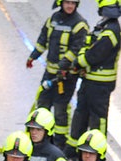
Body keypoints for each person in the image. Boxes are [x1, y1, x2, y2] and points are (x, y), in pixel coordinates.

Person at [26, 0, 89, 150]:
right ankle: (40, 140)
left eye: (73, 3)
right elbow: (43, 40)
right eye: (67, 2)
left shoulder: (80, 24)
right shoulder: (53, 19)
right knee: (42, 104)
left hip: (66, 76)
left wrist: (63, 66)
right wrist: (33, 56)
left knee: (60, 109)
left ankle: (59, 145)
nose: (69, 6)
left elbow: (76, 48)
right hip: (50, 73)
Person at [68, 0, 121, 157]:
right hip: (89, 81)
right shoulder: (102, 26)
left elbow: (95, 54)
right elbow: (87, 44)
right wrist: (81, 63)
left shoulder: (111, 31)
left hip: (100, 85)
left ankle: (97, 153)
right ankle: (73, 150)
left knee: (97, 120)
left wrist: (79, 63)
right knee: (80, 115)